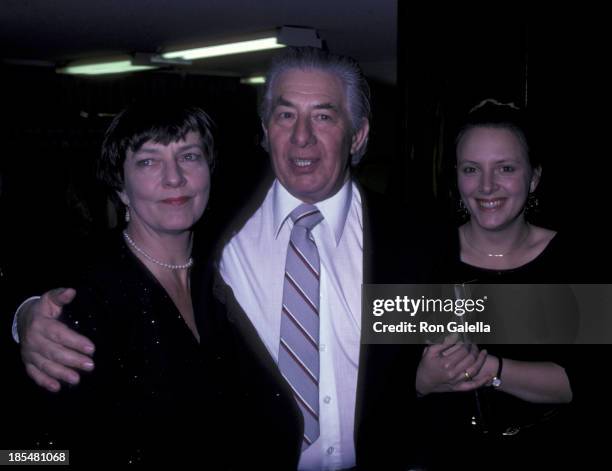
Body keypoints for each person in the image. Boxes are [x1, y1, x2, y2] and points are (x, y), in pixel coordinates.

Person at [15, 47, 448, 470]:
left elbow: (467, 327)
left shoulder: (410, 237)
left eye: (323, 115)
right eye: (285, 115)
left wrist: (432, 376)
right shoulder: (217, 222)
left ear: (358, 135)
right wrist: (25, 314)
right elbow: (58, 265)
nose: (302, 136)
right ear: (265, 129)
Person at [20, 102, 234, 466]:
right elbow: (32, 453)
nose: (174, 178)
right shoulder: (86, 299)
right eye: (148, 161)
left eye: (189, 156)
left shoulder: (230, 272)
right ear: (120, 187)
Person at [414, 99, 585, 469]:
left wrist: (484, 368)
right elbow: (381, 379)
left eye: (505, 168)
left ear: (534, 177)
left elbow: (586, 379)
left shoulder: (576, 259)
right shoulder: (422, 260)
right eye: (472, 169)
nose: (487, 186)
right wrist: (420, 382)